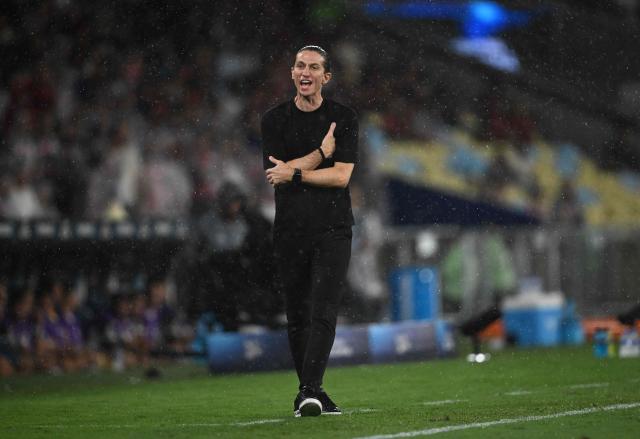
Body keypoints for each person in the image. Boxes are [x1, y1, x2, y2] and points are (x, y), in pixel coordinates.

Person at [261, 45, 358, 417]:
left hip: (333, 228)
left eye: (314, 67)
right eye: (300, 65)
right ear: (292, 73)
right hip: (290, 230)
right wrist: (320, 153)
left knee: (323, 309)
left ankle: (309, 390)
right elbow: (276, 174)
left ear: (326, 77)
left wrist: (297, 172)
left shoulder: (344, 117)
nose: (306, 72)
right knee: (297, 314)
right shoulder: (273, 120)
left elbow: (342, 176)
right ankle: (312, 391)